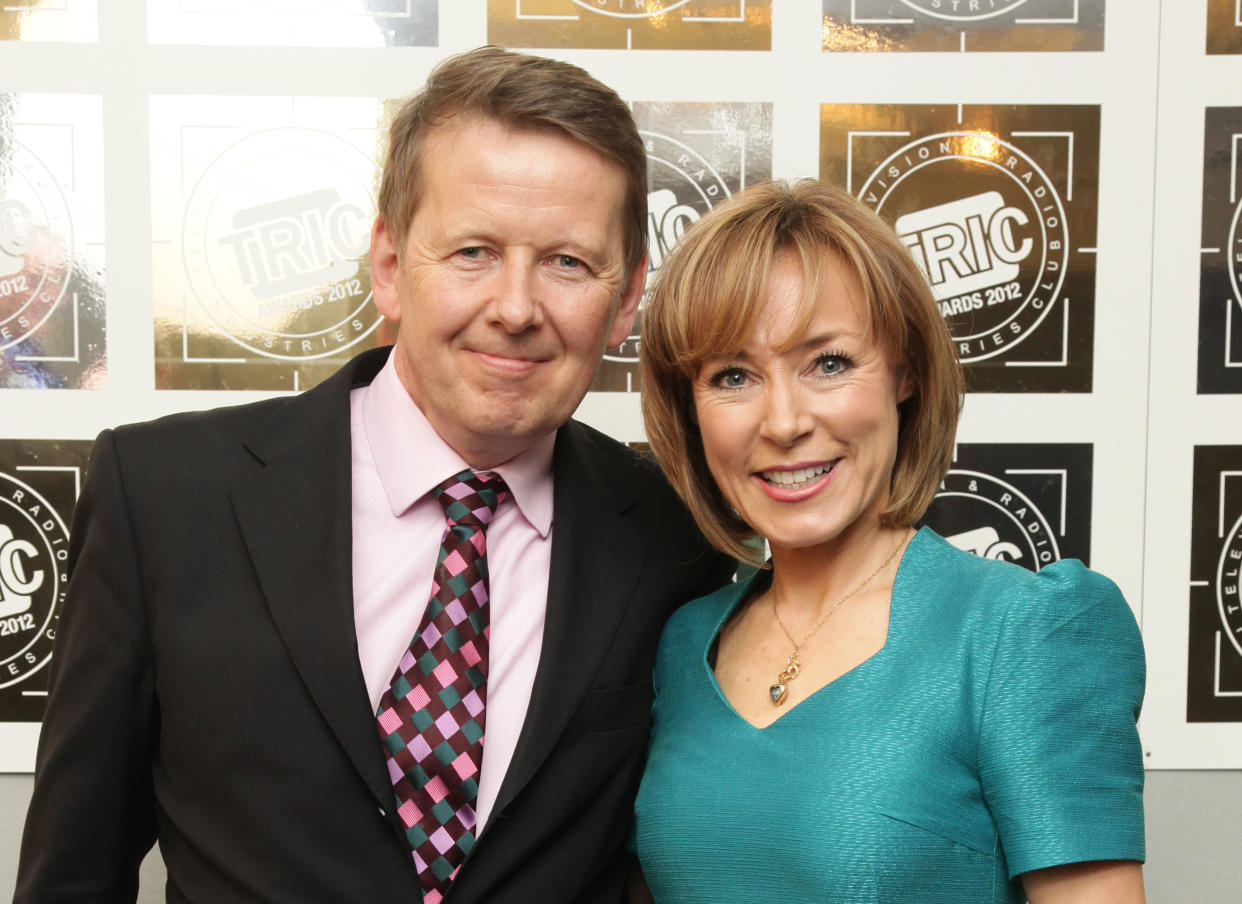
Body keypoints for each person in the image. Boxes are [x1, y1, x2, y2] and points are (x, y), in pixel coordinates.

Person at [16, 47, 733, 904]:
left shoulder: (675, 537)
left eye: (567, 262)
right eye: (472, 250)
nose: (514, 307)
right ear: (391, 266)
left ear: (626, 299)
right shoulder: (166, 496)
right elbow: (73, 870)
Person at [632, 179, 1146, 903]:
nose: (782, 422)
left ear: (904, 371)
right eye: (734, 375)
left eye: (829, 363)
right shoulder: (681, 647)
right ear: (691, 408)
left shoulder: (1026, 632)